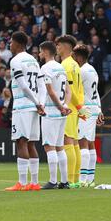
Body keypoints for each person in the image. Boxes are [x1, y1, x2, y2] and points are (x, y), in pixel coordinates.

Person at [5, 32, 47, 192]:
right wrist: (40, 103)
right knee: (31, 143)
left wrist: (37, 103)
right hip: (35, 107)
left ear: (17, 44)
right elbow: (41, 85)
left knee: (21, 141)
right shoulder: (34, 61)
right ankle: (34, 182)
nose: (10, 45)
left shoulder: (15, 60)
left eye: (11, 42)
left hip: (23, 106)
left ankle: (22, 183)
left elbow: (22, 85)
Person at [56, 35, 90, 188]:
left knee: (67, 141)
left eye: (58, 45)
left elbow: (70, 90)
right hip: (75, 108)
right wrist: (80, 106)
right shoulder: (76, 65)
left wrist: (78, 106)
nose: (57, 48)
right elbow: (80, 89)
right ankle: (75, 179)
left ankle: (69, 180)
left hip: (69, 108)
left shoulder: (65, 65)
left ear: (65, 47)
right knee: (74, 142)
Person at [38, 42, 72, 190]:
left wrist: (58, 106)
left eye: (40, 52)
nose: (39, 54)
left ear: (45, 52)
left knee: (49, 146)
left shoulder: (45, 68)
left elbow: (50, 91)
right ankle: (64, 181)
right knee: (60, 147)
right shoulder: (60, 67)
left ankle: (52, 181)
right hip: (62, 112)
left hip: (52, 112)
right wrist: (65, 106)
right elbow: (69, 90)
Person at [74, 45, 104, 187]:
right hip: (93, 107)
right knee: (90, 142)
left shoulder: (81, 71)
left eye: (74, 56)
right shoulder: (92, 70)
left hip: (85, 108)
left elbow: (76, 91)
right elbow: (96, 92)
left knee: (83, 141)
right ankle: (90, 178)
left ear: (79, 57)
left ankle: (83, 180)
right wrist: (99, 109)